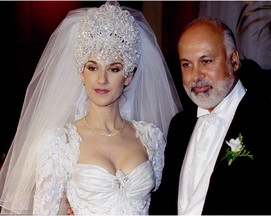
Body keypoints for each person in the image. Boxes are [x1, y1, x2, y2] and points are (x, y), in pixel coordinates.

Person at [0, 2, 182, 215]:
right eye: (92, 67)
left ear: (129, 75)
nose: (101, 79)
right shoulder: (60, 143)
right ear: (81, 72)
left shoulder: (151, 138)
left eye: (114, 68)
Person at [149, 17, 271, 215]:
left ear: (234, 60)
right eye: (186, 65)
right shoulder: (179, 126)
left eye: (206, 61)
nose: (195, 75)